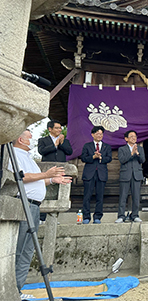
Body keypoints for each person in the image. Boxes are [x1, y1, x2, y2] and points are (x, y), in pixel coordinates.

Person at [9, 130, 71, 300]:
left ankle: (18, 289)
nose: (32, 139)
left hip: (34, 206)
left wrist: (52, 180)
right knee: (20, 248)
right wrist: (46, 174)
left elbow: (36, 179)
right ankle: (11, 289)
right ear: (20, 139)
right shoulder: (14, 154)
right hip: (23, 204)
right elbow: (21, 177)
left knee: (28, 249)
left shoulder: (27, 156)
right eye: (29, 136)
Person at [37, 119, 73, 223]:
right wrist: (54, 145)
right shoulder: (43, 140)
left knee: (57, 193)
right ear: (50, 129)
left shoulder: (65, 141)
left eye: (60, 128)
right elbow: (41, 151)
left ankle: (54, 217)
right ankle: (41, 217)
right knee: (45, 192)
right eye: (57, 128)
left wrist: (61, 143)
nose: (59, 130)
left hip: (60, 169)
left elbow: (69, 152)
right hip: (47, 170)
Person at [81, 126, 112, 224]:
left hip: (101, 174)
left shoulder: (107, 146)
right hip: (89, 173)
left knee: (100, 196)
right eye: (98, 134)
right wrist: (93, 157)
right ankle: (86, 217)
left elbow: (109, 158)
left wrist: (101, 158)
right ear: (92, 134)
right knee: (87, 196)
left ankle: (97, 217)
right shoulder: (87, 145)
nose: (100, 136)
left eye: (101, 134)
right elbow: (83, 158)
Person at [115, 130, 145, 223]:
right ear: (126, 139)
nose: (134, 138)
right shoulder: (122, 149)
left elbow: (142, 160)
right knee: (123, 196)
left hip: (137, 174)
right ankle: (121, 216)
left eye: (135, 136)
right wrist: (131, 154)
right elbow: (122, 160)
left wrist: (137, 153)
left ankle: (135, 215)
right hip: (125, 174)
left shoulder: (140, 148)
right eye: (131, 136)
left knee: (136, 196)